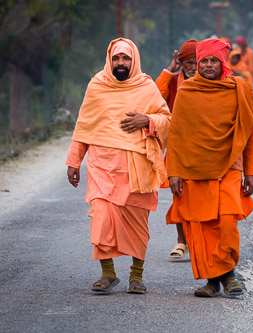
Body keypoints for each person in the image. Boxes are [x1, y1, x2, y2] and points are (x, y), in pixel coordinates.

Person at [65, 38, 171, 295]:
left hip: (137, 169)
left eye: (126, 58)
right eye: (116, 58)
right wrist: (74, 161)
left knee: (137, 224)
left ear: (134, 61)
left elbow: (168, 119)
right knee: (101, 218)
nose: (121, 63)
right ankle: (108, 273)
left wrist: (147, 119)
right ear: (109, 60)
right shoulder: (97, 85)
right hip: (102, 167)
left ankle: (136, 275)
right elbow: (84, 125)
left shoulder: (146, 86)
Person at [166, 38, 253, 297]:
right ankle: (212, 280)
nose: (208, 66)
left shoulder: (239, 88)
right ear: (197, 64)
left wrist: (251, 171)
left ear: (223, 63)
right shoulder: (187, 92)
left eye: (213, 61)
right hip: (194, 169)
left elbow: (249, 134)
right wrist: (173, 171)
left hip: (230, 166)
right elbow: (176, 135)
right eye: (204, 61)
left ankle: (229, 274)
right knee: (203, 227)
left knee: (227, 222)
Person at [154, 39, 198, 260]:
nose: (194, 67)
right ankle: (181, 242)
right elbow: (153, 98)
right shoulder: (173, 82)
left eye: (197, 62)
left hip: (205, 150)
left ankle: (198, 241)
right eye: (189, 62)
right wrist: (169, 72)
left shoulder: (212, 82)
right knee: (178, 194)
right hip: (178, 148)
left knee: (202, 196)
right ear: (181, 63)